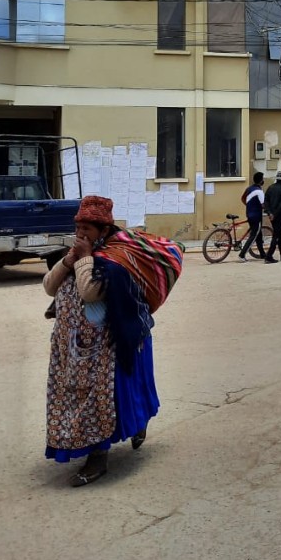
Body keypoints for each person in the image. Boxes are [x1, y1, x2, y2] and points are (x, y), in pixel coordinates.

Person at [43, 195, 178, 487]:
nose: (80, 234)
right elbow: (49, 287)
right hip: (72, 348)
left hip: (107, 347)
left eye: (87, 230)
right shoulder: (76, 255)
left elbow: (90, 291)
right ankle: (122, 432)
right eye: (78, 227)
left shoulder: (114, 260)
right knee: (76, 398)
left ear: (103, 231)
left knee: (102, 401)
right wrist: (69, 259)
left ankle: (98, 459)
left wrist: (86, 257)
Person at [263, 170, 281, 264]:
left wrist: (269, 212)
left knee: (279, 233)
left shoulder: (270, 187)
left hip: (271, 214)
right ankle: (269, 256)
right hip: (280, 214)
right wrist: (274, 214)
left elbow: (265, 201)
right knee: (276, 234)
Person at [238, 171, 265, 261]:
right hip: (256, 216)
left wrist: (249, 205)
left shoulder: (249, 189)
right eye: (263, 179)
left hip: (249, 214)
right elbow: (263, 205)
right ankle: (242, 255)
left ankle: (262, 253)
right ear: (261, 181)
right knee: (253, 235)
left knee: (258, 234)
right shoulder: (259, 191)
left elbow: (242, 198)